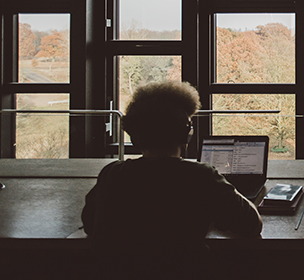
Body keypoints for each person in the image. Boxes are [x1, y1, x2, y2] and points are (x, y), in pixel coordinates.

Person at [82, 81, 262, 279]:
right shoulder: (201, 176)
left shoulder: (112, 174)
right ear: (186, 135)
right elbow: (252, 225)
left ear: (134, 136)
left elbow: (89, 223)